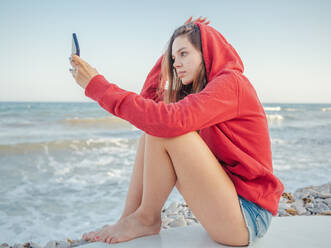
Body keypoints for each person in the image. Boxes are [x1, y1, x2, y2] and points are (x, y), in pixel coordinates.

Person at [69, 16, 284, 247]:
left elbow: (166, 122)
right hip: (228, 207)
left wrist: (96, 85)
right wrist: (168, 53)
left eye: (184, 54)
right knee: (152, 130)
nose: (176, 64)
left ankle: (146, 219)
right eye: (173, 58)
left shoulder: (231, 83)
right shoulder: (201, 93)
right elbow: (147, 104)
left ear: (207, 52)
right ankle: (130, 218)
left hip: (248, 218)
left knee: (167, 128)